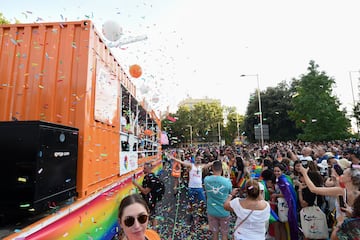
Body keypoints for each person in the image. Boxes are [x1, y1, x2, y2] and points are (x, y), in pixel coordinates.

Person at [204, 160, 232, 240]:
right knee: (224, 235)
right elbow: (230, 192)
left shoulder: (206, 180)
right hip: (224, 211)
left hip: (211, 211)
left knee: (215, 234)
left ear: (212, 168)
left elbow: (203, 169)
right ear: (222, 169)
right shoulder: (227, 181)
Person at [132, 162, 159, 226]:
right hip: (147, 200)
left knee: (152, 216)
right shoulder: (146, 177)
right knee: (151, 215)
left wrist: (136, 184)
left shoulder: (151, 179)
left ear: (149, 169)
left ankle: (154, 232)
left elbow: (145, 191)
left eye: (145, 168)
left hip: (150, 201)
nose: (143, 170)